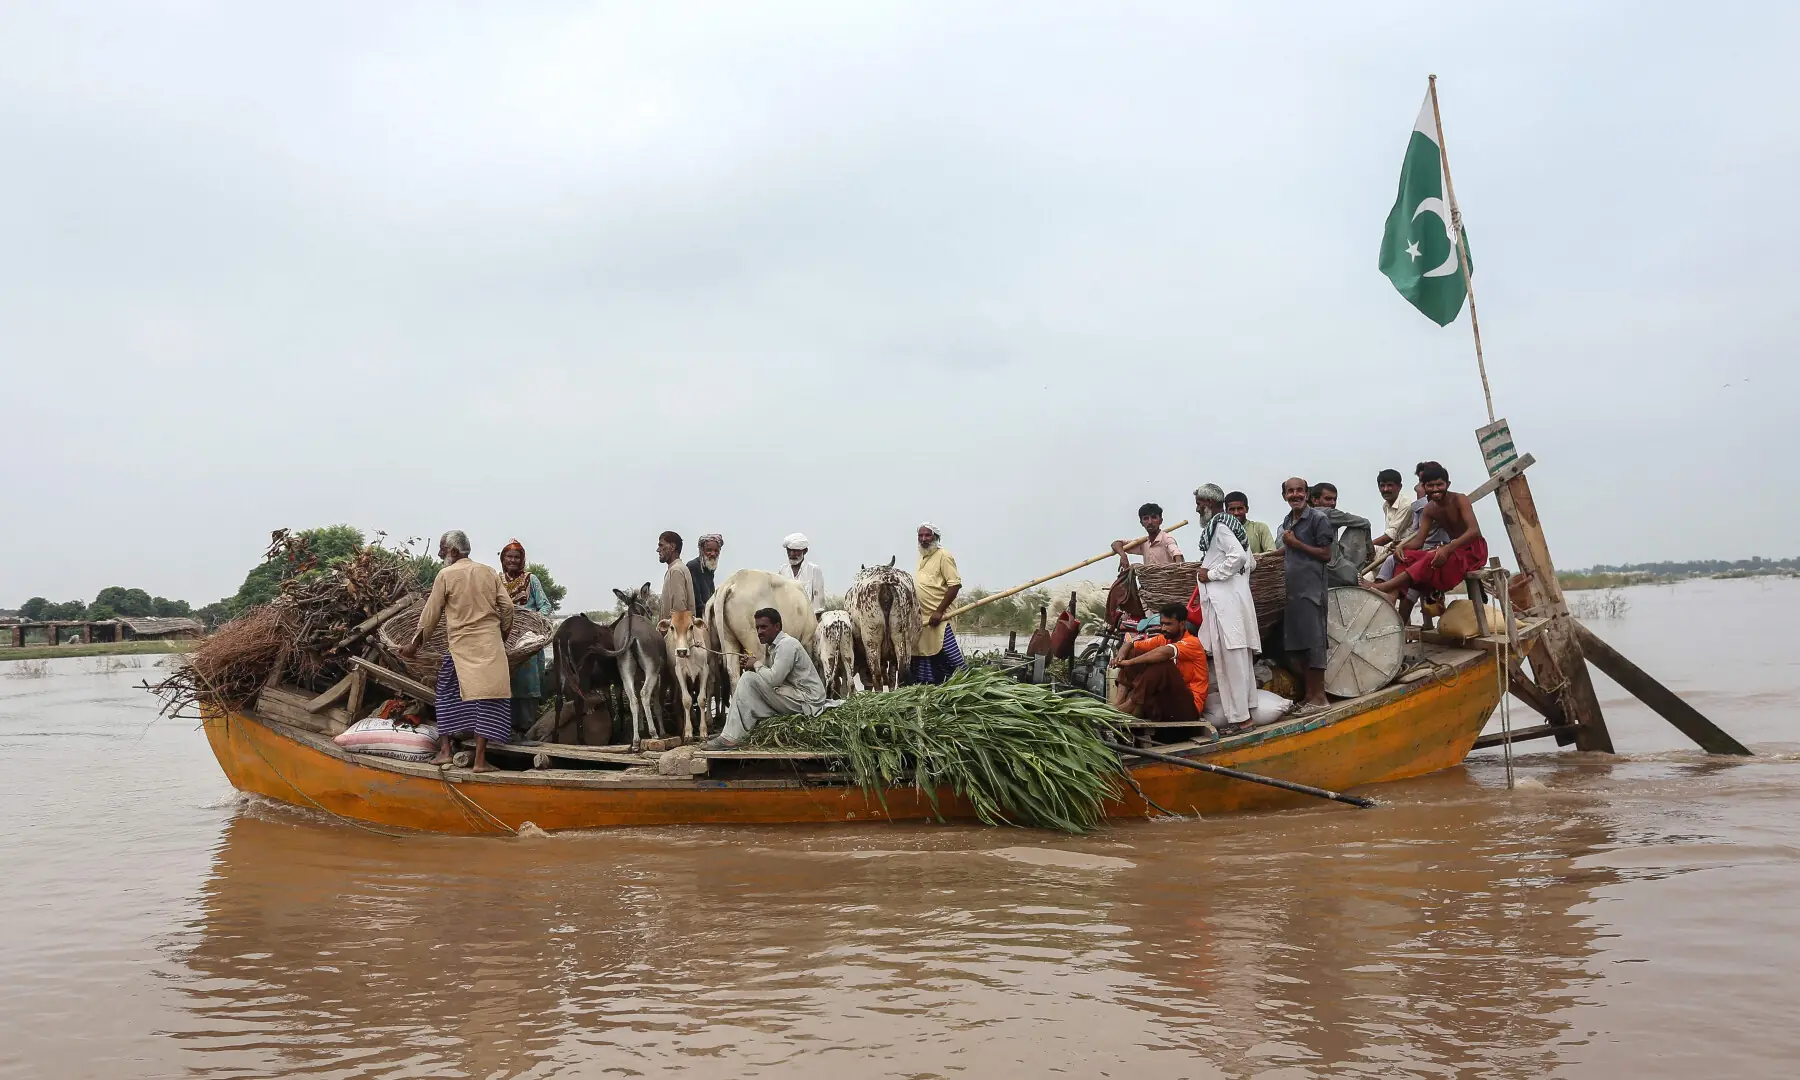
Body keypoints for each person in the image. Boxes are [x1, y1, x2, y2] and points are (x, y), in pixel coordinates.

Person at [401, 530, 514, 772]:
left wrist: (414, 644)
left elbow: (431, 614)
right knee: (489, 699)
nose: (440, 553)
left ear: (453, 551)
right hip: (490, 648)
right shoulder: (489, 572)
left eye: (442, 549)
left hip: (460, 648)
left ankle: (445, 752)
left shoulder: (446, 575)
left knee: (446, 694)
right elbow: (508, 607)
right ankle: (480, 761)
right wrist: (501, 635)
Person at [1189, 483, 1262, 727]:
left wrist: (1210, 574)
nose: (1198, 508)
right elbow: (1250, 564)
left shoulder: (1220, 526)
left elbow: (1239, 558)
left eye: (1199, 503)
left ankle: (1241, 720)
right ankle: (1249, 710)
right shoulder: (1235, 527)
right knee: (1240, 658)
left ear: (1208, 503)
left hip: (1225, 606)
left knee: (1230, 661)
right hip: (1236, 602)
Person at [705, 607, 826, 749]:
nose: (759, 632)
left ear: (777, 627)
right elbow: (771, 676)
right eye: (757, 628)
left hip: (807, 701)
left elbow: (774, 679)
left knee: (748, 679)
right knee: (749, 681)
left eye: (764, 627)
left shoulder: (787, 645)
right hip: (796, 696)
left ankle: (730, 738)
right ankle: (731, 732)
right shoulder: (775, 646)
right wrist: (754, 665)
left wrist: (755, 664)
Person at [1373, 464, 1488, 606]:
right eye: (1430, 485)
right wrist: (1401, 547)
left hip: (1473, 550)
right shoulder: (1429, 509)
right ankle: (1391, 596)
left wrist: (1447, 549)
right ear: (1424, 487)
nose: (1435, 489)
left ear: (1448, 484)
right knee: (1405, 556)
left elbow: (1474, 531)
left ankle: (1385, 586)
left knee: (1430, 556)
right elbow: (1419, 541)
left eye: (1439, 484)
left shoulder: (1459, 499)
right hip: (1452, 550)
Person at [1276, 478, 1333, 709]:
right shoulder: (1288, 521)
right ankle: (1310, 696)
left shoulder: (1318, 518)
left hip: (1312, 590)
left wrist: (1296, 543)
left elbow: (1326, 554)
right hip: (1293, 592)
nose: (1295, 495)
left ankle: (1320, 698)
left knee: (1314, 644)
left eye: (1300, 490)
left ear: (1307, 494)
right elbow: (1286, 548)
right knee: (1299, 646)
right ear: (1284, 496)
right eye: (1291, 491)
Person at [1110, 602, 1209, 725]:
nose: (1163, 628)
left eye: (1168, 624)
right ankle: (1119, 702)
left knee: (1162, 664)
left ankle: (1130, 706)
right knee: (1134, 652)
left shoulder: (1193, 643)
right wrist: (1121, 657)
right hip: (1166, 703)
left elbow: (1164, 652)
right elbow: (1130, 644)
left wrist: (1129, 662)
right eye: (1162, 624)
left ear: (1182, 624)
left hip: (1188, 708)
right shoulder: (1163, 638)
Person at [498, 539, 553, 739]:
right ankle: (505, 729)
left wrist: (532, 621)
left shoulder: (532, 580)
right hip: (503, 638)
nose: (512, 560)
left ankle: (527, 730)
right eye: (509, 557)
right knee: (504, 683)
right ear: (503, 559)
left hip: (527, 639)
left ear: (522, 560)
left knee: (527, 684)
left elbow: (545, 606)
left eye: (516, 557)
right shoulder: (496, 580)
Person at [912, 522, 965, 684]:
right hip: (923, 618)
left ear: (936, 537)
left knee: (948, 652)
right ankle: (931, 685)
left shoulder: (944, 556)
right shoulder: (922, 556)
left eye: (927, 535)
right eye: (920, 535)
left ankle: (964, 680)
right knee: (924, 654)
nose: (923, 539)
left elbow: (954, 585)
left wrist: (939, 611)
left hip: (941, 617)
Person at [1309, 482, 1372, 588]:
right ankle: (1356, 572)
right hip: (1330, 567)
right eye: (1328, 499)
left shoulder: (1297, 517)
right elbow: (1365, 522)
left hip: (1317, 568)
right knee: (1359, 527)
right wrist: (1370, 549)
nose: (1333, 503)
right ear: (1315, 500)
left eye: (1335, 499)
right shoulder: (1326, 513)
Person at [1111, 502, 1183, 574]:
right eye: (1146, 519)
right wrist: (1123, 556)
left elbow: (1177, 555)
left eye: (1154, 517)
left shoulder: (1166, 538)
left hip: (1168, 581)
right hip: (1151, 583)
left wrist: (1178, 571)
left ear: (1160, 521)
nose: (1150, 522)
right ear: (1141, 523)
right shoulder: (1143, 543)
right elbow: (1115, 544)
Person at [1370, 469, 1412, 581]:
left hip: (1404, 548)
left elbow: (1390, 535)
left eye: (1390, 485)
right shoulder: (1386, 506)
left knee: (1365, 550)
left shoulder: (1406, 505)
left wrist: (1367, 546)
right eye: (1382, 486)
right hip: (1391, 547)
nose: (1385, 489)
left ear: (1399, 487)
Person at [779, 533, 827, 617]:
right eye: (789, 550)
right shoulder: (783, 570)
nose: (791, 554)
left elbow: (818, 605)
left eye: (795, 550)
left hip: (808, 619)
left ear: (805, 551)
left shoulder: (814, 570)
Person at [656, 530, 695, 622]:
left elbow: (679, 610)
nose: (658, 550)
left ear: (672, 547)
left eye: (661, 545)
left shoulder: (676, 570)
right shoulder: (676, 569)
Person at [689, 533, 723, 614]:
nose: (713, 554)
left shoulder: (710, 568)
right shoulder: (693, 566)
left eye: (716, 551)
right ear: (701, 550)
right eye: (709, 550)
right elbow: (696, 599)